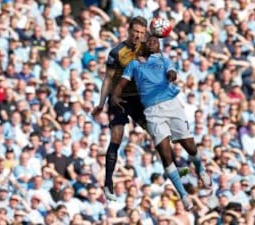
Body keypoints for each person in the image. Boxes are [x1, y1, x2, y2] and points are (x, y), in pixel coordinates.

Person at [112, 35, 212, 211]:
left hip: (172, 106)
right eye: (148, 42)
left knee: (190, 146)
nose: (151, 43)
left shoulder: (164, 60)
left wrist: (171, 75)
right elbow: (122, 83)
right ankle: (183, 195)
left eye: (155, 41)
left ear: (159, 46)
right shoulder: (134, 65)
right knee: (165, 154)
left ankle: (200, 169)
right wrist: (115, 95)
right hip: (152, 112)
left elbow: (172, 72)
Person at [91, 16, 148, 201]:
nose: (138, 36)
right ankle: (108, 183)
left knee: (160, 133)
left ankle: (182, 172)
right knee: (116, 137)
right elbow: (107, 79)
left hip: (138, 99)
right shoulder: (117, 52)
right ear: (129, 30)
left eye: (142, 32)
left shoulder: (148, 50)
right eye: (136, 32)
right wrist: (101, 103)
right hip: (119, 99)